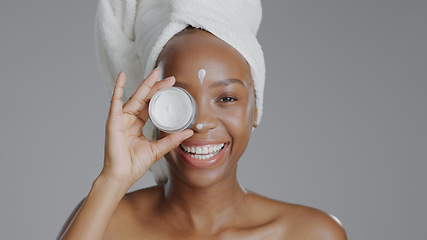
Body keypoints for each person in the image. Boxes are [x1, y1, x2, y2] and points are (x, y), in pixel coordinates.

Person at [58, 1, 347, 239]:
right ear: (152, 111)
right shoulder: (105, 224)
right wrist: (113, 179)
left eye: (227, 98)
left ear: (256, 108)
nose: (201, 123)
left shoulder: (311, 234)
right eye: (177, 100)